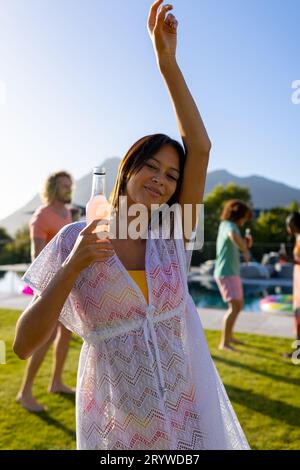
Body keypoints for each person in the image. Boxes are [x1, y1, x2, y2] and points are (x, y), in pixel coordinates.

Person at [14, 1, 249, 450]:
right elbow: (24, 344)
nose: (162, 181)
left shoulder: (172, 236)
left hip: (185, 418)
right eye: (152, 168)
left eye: (172, 176)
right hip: (117, 426)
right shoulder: (74, 238)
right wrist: (72, 267)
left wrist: (167, 64)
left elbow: (199, 145)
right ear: (128, 169)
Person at [16, 171, 75, 412]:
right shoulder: (41, 217)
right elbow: (37, 257)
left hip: (67, 282)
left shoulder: (67, 213)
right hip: (47, 286)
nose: (68, 189)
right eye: (64, 186)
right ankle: (25, 392)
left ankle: (56, 382)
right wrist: (52, 286)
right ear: (52, 188)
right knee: (45, 337)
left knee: (66, 332)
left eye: (70, 185)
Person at [214, 200, 253, 352]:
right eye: (244, 217)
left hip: (231, 272)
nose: (244, 220)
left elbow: (235, 239)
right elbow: (232, 236)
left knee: (239, 305)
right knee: (234, 306)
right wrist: (244, 249)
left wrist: (244, 245)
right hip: (226, 272)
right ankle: (224, 343)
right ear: (238, 215)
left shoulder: (228, 225)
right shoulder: (229, 226)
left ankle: (229, 337)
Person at [283, 212, 300, 358]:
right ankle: (297, 352)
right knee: (297, 317)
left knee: (298, 315)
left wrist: (288, 259)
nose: (287, 229)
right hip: (297, 280)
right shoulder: (297, 237)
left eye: (289, 225)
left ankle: (297, 353)